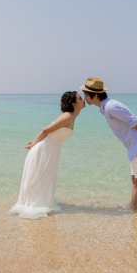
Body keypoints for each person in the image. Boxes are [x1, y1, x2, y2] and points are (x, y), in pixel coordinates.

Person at [80, 77, 137, 211]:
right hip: (134, 146)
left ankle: (136, 210)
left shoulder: (111, 107)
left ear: (95, 95)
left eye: (86, 95)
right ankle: (132, 206)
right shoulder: (106, 106)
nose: (84, 98)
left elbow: (135, 121)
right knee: (134, 180)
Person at [9, 91, 85, 219]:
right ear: (74, 104)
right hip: (42, 151)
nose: (83, 99)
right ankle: (34, 205)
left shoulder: (71, 117)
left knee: (45, 179)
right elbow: (46, 130)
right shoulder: (67, 117)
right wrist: (34, 144)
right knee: (40, 179)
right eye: (79, 98)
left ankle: (41, 202)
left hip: (50, 151)